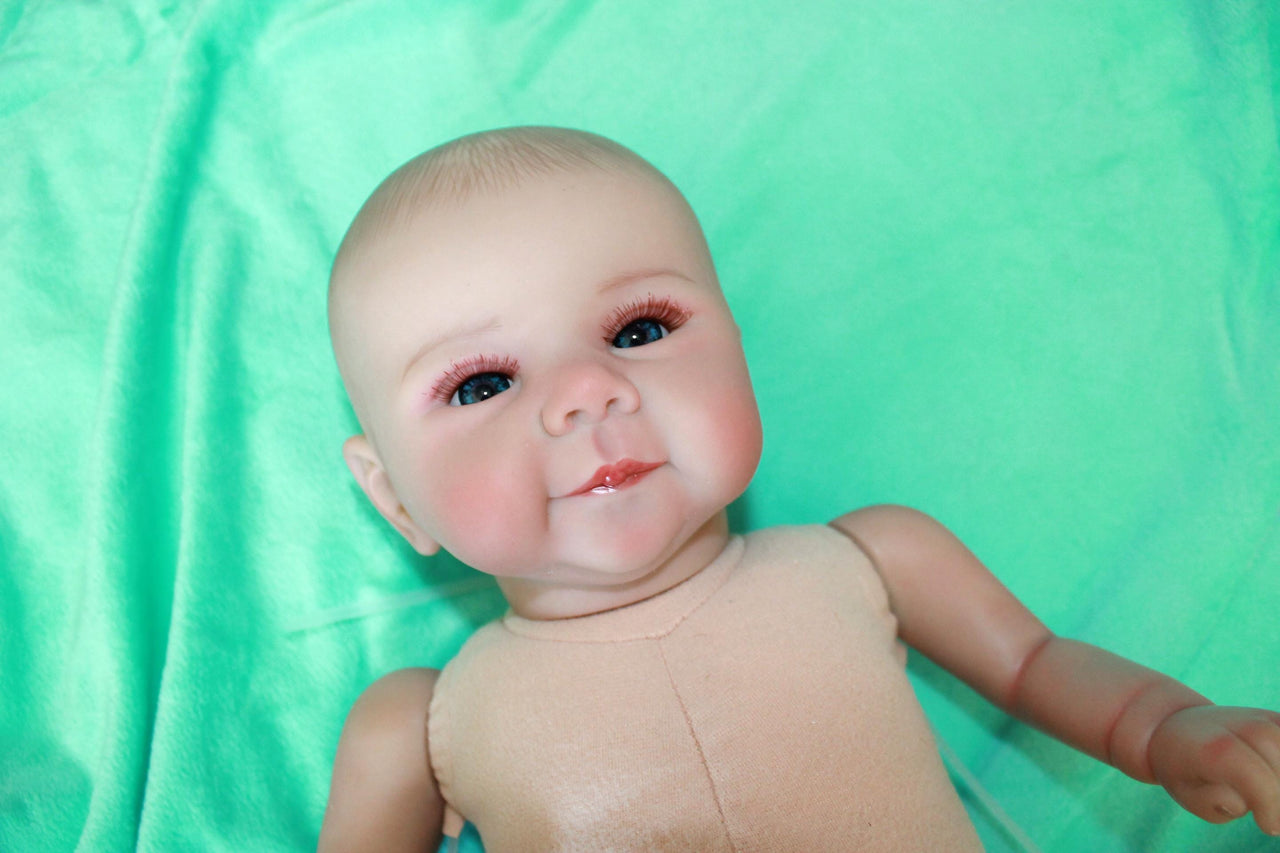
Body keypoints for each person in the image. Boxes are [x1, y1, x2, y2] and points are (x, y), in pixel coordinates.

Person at [318, 126, 1280, 851]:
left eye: (640, 329)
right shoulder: (417, 724)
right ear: (393, 495)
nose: (587, 393)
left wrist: (1167, 729)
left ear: (736, 346)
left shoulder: (876, 558)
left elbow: (1032, 665)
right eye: (481, 384)